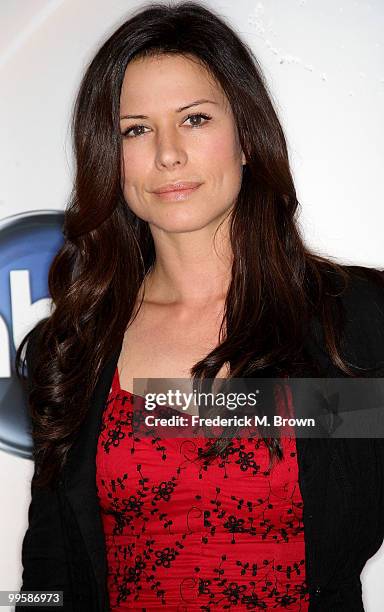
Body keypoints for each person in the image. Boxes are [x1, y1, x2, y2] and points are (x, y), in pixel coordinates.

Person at [15, 2, 384, 611]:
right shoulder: (79, 343)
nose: (167, 154)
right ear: (110, 157)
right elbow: (48, 575)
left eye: (193, 119)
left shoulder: (354, 322)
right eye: (135, 128)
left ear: (246, 137)